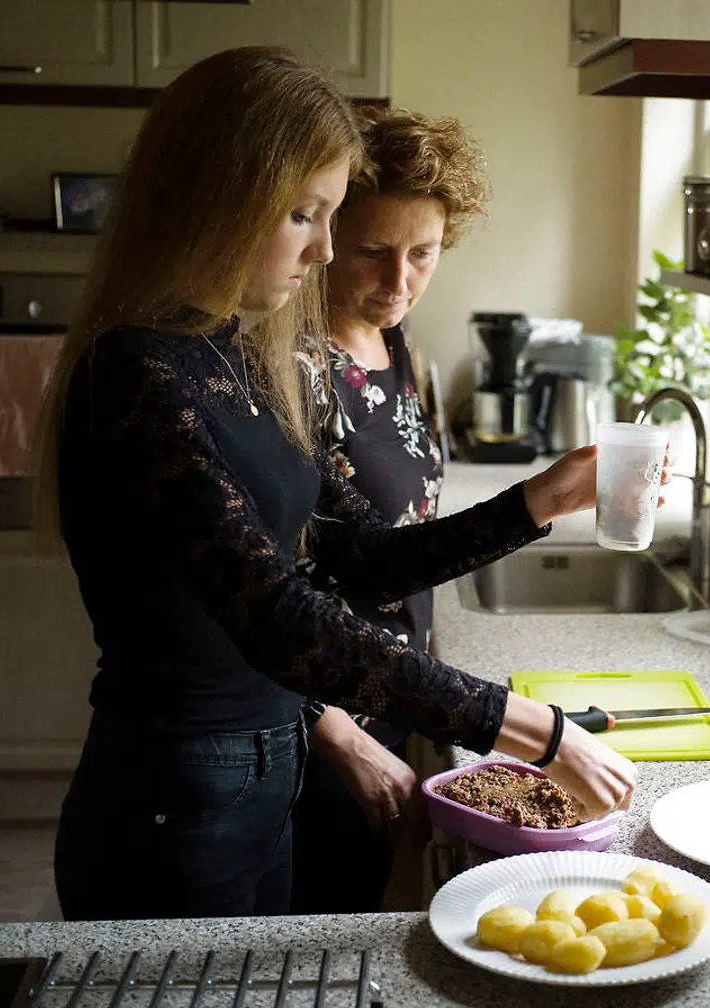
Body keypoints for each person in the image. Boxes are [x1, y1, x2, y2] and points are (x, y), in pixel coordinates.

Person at [39, 46, 637, 921]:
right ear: (216, 200)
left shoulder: (237, 357)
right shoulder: (137, 374)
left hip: (262, 772)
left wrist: (536, 503)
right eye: (303, 215)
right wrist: (527, 728)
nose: (323, 250)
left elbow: (357, 562)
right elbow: (278, 614)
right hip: (174, 792)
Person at [288, 107, 487, 913]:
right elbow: (264, 584)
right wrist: (336, 731)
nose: (399, 280)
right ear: (329, 233)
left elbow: (389, 539)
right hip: (320, 725)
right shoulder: (293, 368)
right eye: (373, 251)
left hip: (388, 698)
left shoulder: (393, 340)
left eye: (423, 254)